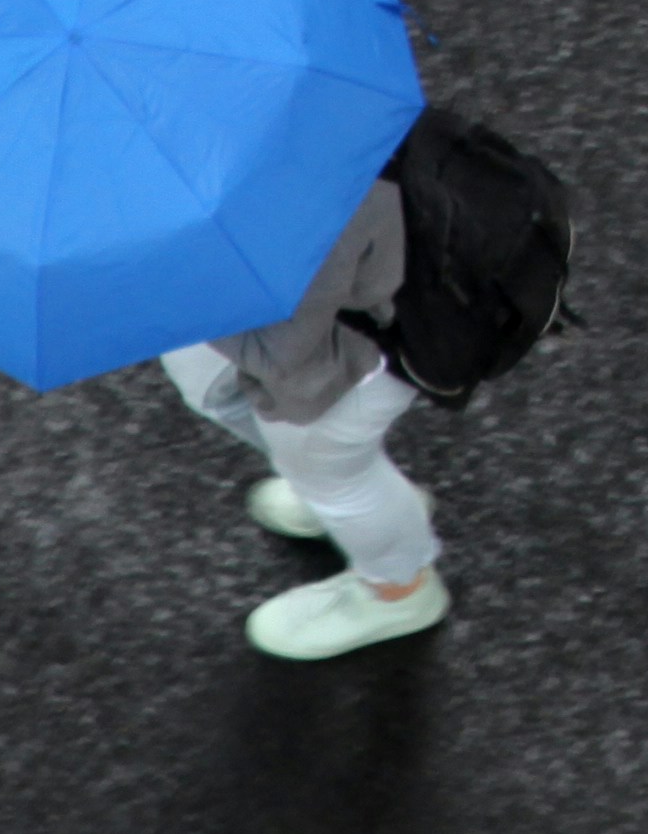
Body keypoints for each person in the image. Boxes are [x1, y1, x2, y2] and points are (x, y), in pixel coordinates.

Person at [160, 173, 449, 659]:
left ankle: (400, 590)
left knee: (326, 459)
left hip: (354, 312)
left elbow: (307, 334)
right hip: (271, 279)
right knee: (215, 387)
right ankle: (354, 493)